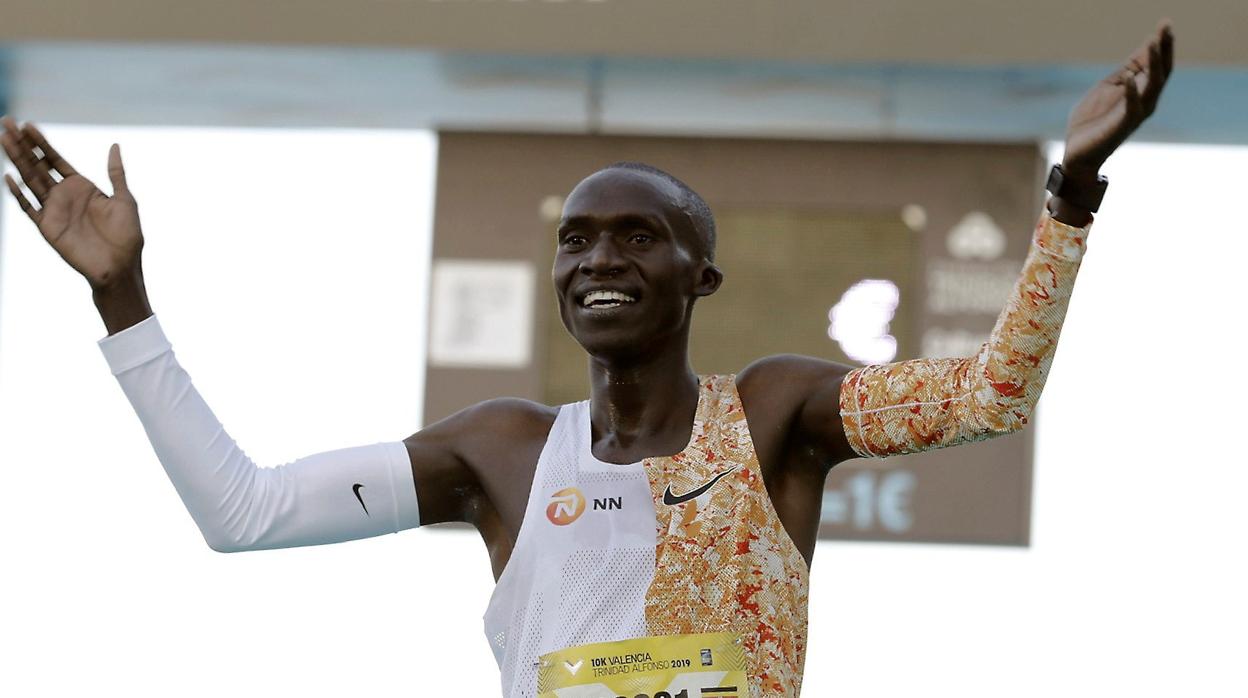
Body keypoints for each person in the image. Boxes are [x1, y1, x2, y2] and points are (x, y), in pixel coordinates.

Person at [1, 22, 1173, 698]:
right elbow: (242, 509)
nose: (598, 258)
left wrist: (1071, 191)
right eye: (574, 237)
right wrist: (123, 296)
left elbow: (994, 393)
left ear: (698, 275)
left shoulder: (774, 413)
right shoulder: (500, 451)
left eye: (636, 234)